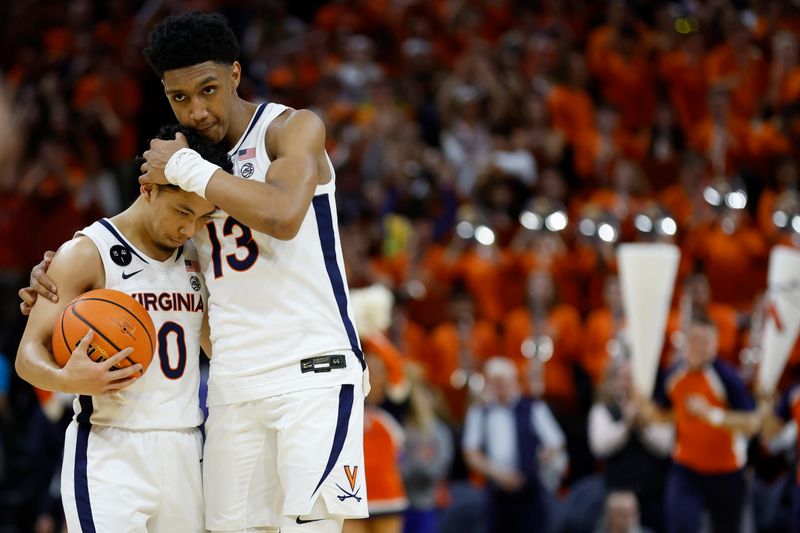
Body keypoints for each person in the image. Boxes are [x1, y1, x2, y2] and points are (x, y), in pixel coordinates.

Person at [21, 11, 368, 533]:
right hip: (230, 386)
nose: (197, 110)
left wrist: (186, 168)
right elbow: (145, 245)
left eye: (207, 89)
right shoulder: (180, 165)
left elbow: (283, 215)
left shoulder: (290, 129)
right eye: (179, 98)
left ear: (234, 72)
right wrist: (65, 271)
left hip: (311, 374)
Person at [15, 124, 225, 532]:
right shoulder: (85, 252)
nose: (189, 228)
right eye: (183, 212)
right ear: (148, 188)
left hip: (186, 444)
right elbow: (28, 355)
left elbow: (219, 348)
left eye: (201, 217)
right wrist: (65, 377)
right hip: (111, 445)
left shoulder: (200, 256)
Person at [638, 314, 760, 533]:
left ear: (715, 346)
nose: (698, 347)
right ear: (684, 341)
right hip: (686, 468)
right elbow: (666, 415)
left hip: (726, 471)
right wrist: (646, 410)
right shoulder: (673, 376)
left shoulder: (726, 377)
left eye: (705, 342)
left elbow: (752, 423)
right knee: (680, 525)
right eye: (693, 340)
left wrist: (712, 415)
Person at [462, 356, 563, 533]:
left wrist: (537, 460)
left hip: (530, 491)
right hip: (495, 492)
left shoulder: (533, 407)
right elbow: (471, 452)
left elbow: (556, 442)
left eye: (504, 382)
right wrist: (498, 474)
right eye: (495, 382)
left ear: (514, 381)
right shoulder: (480, 411)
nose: (500, 388)